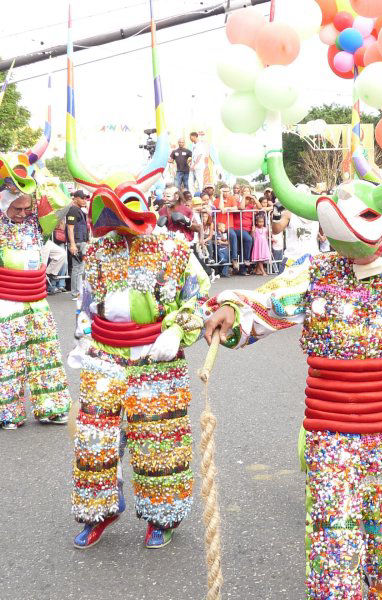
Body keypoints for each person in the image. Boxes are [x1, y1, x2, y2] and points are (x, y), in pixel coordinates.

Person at [204, 77, 382, 596]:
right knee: (335, 545)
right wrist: (230, 309)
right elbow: (265, 301)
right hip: (330, 435)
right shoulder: (315, 273)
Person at [65, 14, 211, 550]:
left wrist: (177, 330)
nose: (114, 228)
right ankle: (99, 510)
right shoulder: (99, 252)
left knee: (159, 443)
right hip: (105, 356)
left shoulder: (175, 249)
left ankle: (162, 517)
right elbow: (86, 302)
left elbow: (196, 301)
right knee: (95, 440)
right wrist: (84, 332)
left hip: (155, 357)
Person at [0, 149, 72, 429]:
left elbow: (62, 202)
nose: (21, 214)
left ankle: (51, 409)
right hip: (7, 304)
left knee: (46, 354)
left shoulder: (36, 225)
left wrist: (37, 175)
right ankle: (8, 412)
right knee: (9, 358)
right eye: (15, 209)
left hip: (37, 301)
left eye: (25, 208)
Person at [272, 188, 320, 263]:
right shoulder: (289, 214)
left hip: (312, 259)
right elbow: (276, 230)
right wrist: (276, 215)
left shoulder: (316, 214)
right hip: (293, 259)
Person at [66, 189, 90, 298]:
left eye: (85, 198)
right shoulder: (73, 210)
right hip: (77, 242)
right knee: (77, 268)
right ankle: (75, 293)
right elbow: (70, 228)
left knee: (81, 269)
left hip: (81, 241)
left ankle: (78, 291)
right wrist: (72, 244)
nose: (84, 200)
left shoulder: (79, 210)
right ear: (75, 198)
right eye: (82, 198)